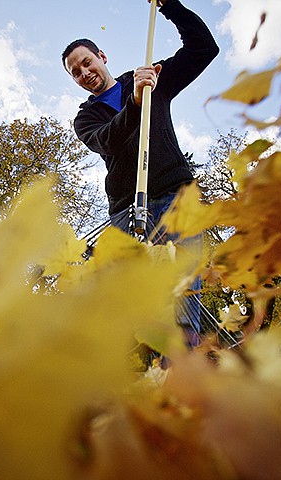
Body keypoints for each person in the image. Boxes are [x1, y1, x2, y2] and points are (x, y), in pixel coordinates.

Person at [62, 0, 219, 350]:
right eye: (76, 72)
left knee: (183, 297)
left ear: (102, 56)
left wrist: (171, 6)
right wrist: (134, 101)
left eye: (86, 62)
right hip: (126, 212)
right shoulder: (86, 118)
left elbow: (203, 48)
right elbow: (109, 142)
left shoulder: (150, 80)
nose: (84, 73)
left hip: (178, 200)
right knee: (121, 305)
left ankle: (177, 386)